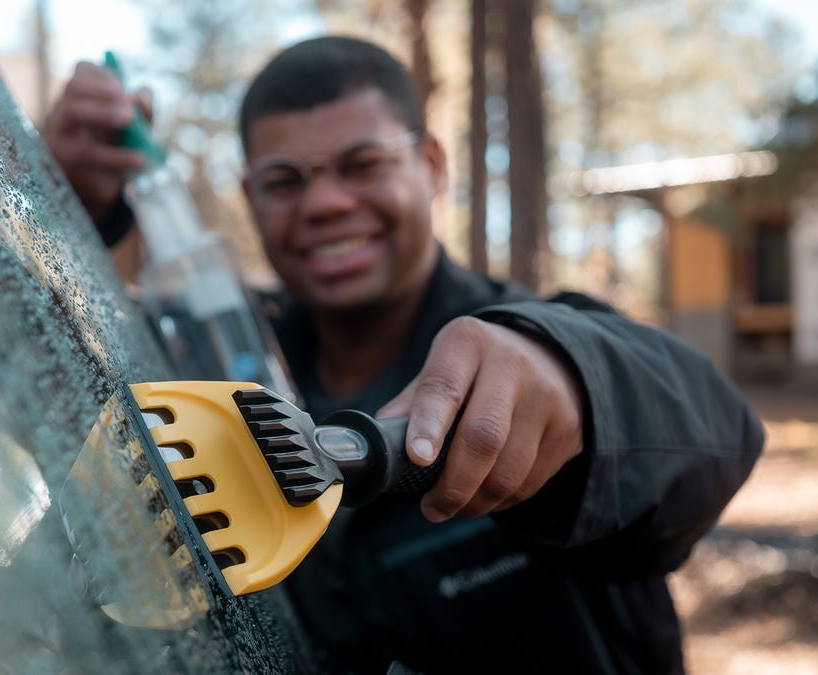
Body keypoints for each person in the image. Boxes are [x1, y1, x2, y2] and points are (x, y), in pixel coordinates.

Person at [42, 35, 764, 674]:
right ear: (249, 196)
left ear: (432, 164)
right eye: (284, 181)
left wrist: (574, 380)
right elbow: (50, 393)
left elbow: (719, 434)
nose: (325, 204)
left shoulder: (542, 339)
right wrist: (64, 209)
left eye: (362, 165)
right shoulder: (214, 370)